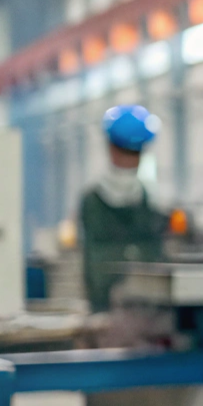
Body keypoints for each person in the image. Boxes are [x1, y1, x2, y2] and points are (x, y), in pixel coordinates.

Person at [82, 104, 167, 312]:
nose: (129, 161)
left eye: (134, 154)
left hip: (148, 308)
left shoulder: (151, 201)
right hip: (105, 306)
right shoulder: (92, 202)